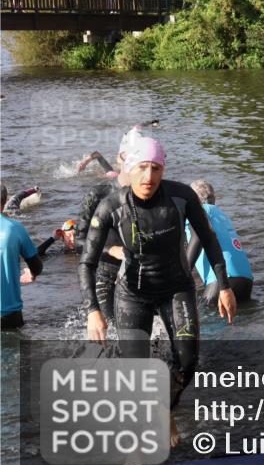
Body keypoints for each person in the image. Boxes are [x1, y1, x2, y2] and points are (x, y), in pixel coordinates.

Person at [79, 137, 238, 447]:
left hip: (176, 288)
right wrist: (93, 311)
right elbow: (86, 261)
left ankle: (164, 409)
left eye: (156, 168)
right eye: (142, 168)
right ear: (130, 168)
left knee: (188, 360)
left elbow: (208, 239)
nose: (148, 177)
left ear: (163, 169)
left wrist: (225, 287)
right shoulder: (112, 206)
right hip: (133, 294)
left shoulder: (181, 197)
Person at [74, 127, 149, 323]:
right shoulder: (98, 195)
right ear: (121, 157)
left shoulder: (152, 194)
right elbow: (78, 240)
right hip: (107, 275)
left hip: (143, 276)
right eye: (135, 160)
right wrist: (110, 249)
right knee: (113, 333)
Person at [185, 180, 254, 304]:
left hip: (221, 281)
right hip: (246, 280)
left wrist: (183, 274)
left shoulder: (199, 211)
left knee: (203, 321)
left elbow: (198, 238)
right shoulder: (222, 215)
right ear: (214, 198)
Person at [1, 184, 43, 330]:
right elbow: (37, 266)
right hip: (10, 315)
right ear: (5, 200)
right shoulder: (16, 228)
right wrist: (31, 273)